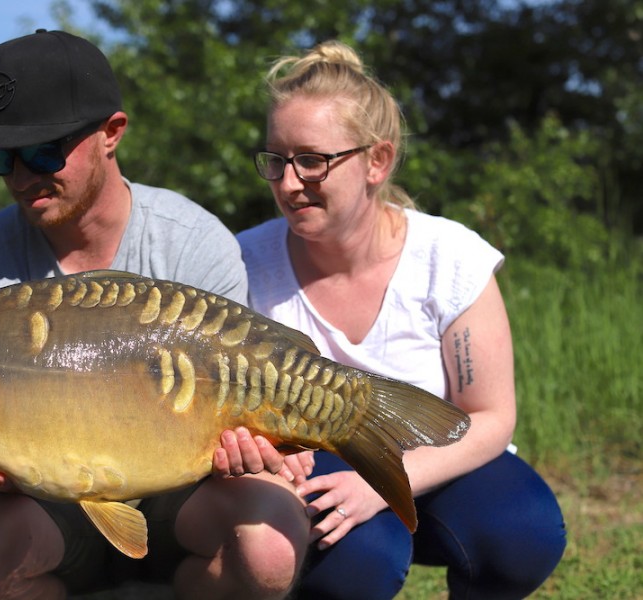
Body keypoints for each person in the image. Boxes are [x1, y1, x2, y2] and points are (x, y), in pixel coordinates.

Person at [0, 30, 309, 599]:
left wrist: (253, 446)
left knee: (269, 549)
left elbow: (238, 402)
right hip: (47, 510)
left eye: (43, 150)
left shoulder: (193, 244)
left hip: (185, 502)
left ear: (112, 133)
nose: (22, 173)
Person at [237, 41, 567, 599]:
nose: (289, 183)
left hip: (432, 458)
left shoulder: (450, 257)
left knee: (522, 532)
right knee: (357, 565)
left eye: (312, 160)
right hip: (309, 471)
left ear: (377, 161)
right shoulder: (242, 263)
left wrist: (383, 484)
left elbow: (489, 415)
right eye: (276, 160)